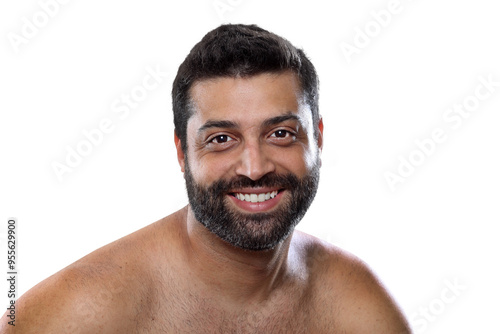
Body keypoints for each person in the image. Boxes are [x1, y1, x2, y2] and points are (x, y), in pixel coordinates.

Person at [1, 24, 411, 333]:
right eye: (221, 139)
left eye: (280, 133)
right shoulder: (86, 309)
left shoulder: (356, 307)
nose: (255, 168)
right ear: (182, 152)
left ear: (317, 139)